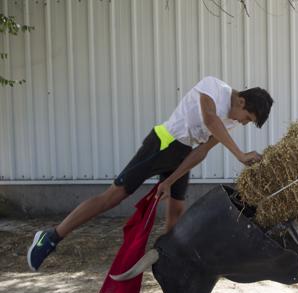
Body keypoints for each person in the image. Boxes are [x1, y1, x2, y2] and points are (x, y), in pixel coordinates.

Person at [27, 76, 273, 272]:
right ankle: (51, 236)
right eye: (247, 119)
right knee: (113, 197)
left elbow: (201, 152)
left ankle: (168, 263)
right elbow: (209, 119)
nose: (243, 123)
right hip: (161, 144)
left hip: (182, 154)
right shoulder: (214, 87)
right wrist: (240, 154)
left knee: (176, 208)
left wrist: (169, 180)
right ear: (241, 102)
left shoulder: (228, 122)